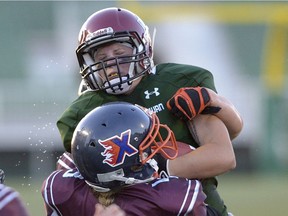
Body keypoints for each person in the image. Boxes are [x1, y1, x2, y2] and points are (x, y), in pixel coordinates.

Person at [56, 7, 243, 215]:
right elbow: (83, 187)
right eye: (102, 58)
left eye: (119, 53)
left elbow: (223, 156)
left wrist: (156, 168)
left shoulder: (177, 84)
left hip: (195, 206)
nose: (112, 64)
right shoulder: (82, 112)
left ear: (142, 49)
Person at [42, 102, 221, 216]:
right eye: (147, 148)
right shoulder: (171, 199)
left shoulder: (59, 189)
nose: (154, 150)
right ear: (121, 168)